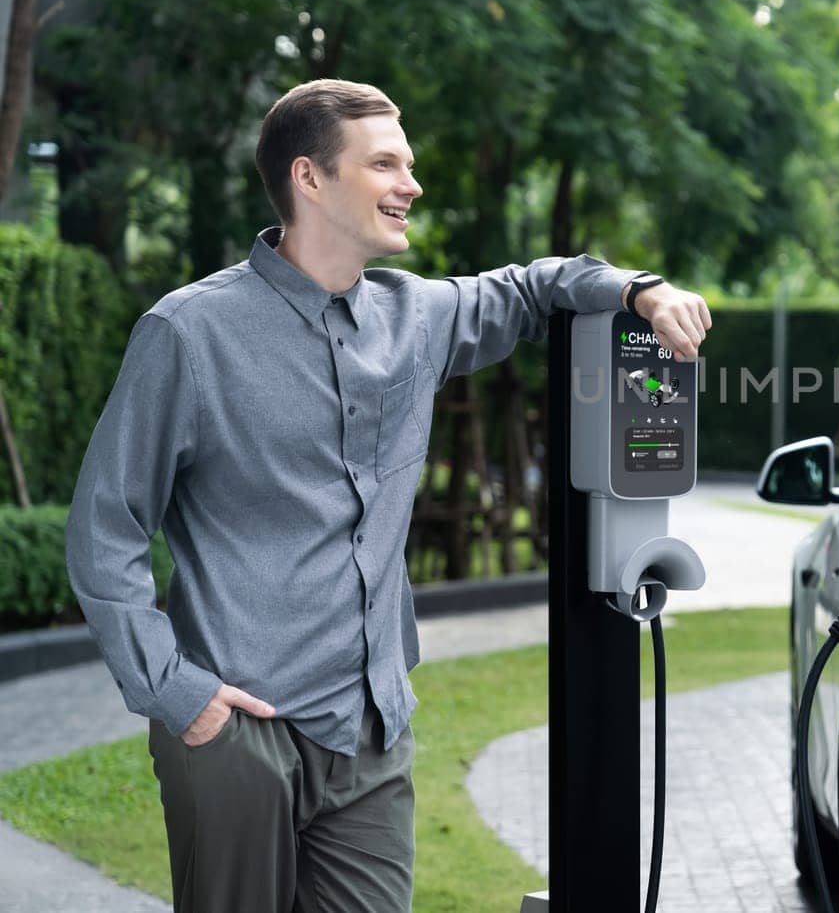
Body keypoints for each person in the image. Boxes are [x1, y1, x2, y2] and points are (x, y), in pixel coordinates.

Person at [64, 79, 712, 912]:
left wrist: (639, 290)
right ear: (310, 178)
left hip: (372, 735)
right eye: (384, 164)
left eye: (407, 164)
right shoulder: (189, 333)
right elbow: (104, 526)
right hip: (240, 730)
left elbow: (530, 287)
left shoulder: (418, 316)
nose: (411, 183)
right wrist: (177, 694)